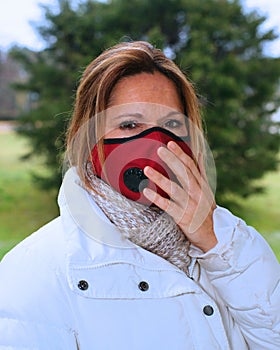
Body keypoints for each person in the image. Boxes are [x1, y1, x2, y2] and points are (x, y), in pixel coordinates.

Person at [0, 41, 279, 349]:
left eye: (172, 123)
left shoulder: (223, 247)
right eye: (130, 124)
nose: (157, 142)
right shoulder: (35, 274)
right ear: (90, 139)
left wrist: (218, 242)